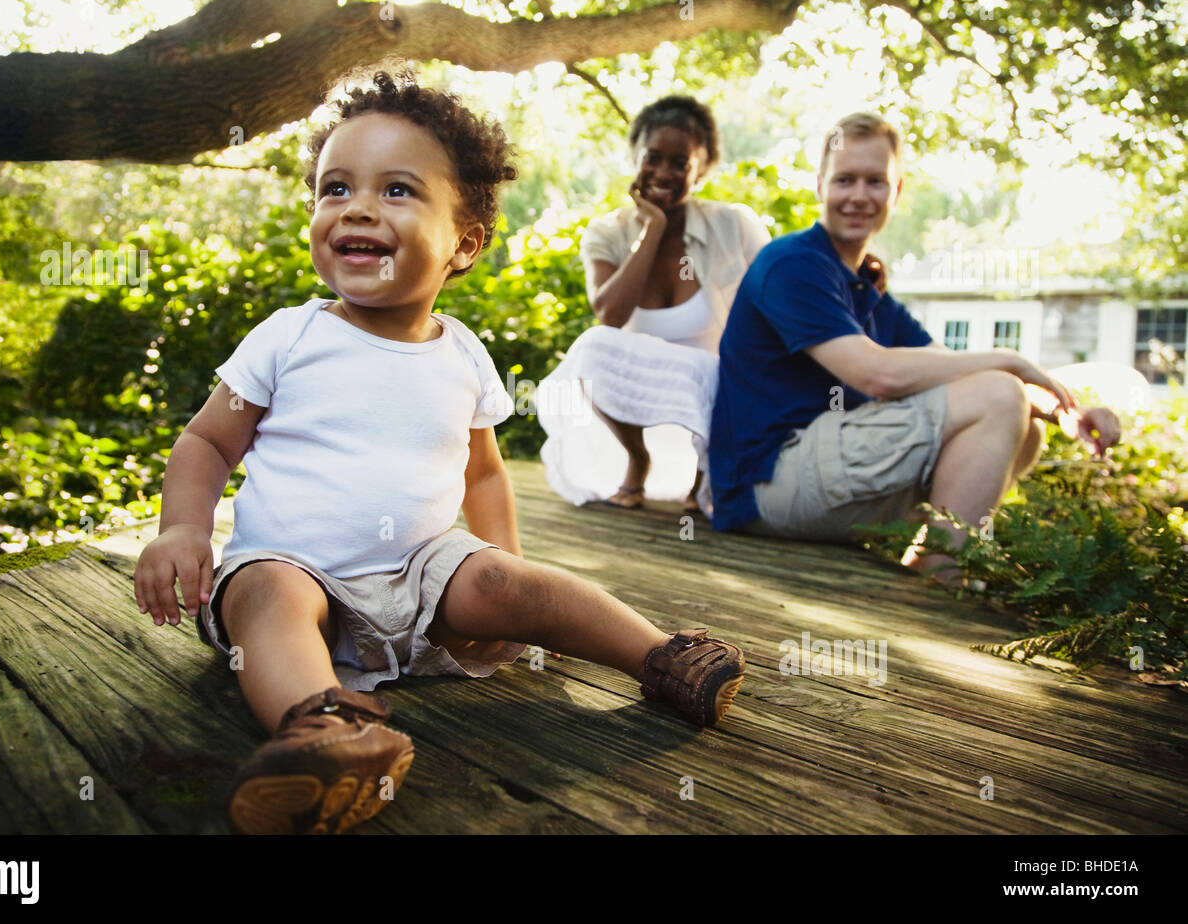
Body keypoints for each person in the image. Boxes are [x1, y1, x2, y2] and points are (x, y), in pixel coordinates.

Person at [131, 71, 746, 836]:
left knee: (511, 577)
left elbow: (482, 470)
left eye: (396, 190)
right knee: (269, 596)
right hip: (291, 567)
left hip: (421, 583)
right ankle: (323, 732)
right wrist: (183, 528)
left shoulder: (462, 353)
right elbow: (205, 442)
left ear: (464, 241)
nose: (355, 206)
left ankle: (659, 658)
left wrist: (506, 573)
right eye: (335, 189)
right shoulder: (289, 336)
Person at [707, 112, 1121, 578]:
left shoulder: (867, 288)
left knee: (1024, 423)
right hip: (768, 483)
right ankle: (941, 578)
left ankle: (933, 565)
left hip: (823, 478)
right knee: (1001, 394)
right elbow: (875, 374)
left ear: (896, 191)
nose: (860, 196)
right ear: (819, 185)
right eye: (845, 180)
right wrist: (1011, 361)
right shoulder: (792, 264)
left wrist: (1067, 410)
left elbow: (949, 369)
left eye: (875, 181)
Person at [537, 96, 769, 512]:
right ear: (635, 158)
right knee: (591, 346)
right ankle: (637, 459)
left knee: (721, 366)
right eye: (653, 158)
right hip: (641, 391)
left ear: (702, 169)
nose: (663, 172)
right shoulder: (607, 233)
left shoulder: (734, 224)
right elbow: (609, 314)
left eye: (680, 163)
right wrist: (652, 231)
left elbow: (778, 300)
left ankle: (702, 477)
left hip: (719, 387)